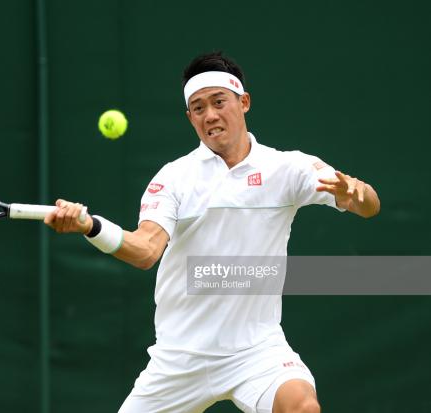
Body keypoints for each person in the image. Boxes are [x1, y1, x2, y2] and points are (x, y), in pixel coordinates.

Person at [44, 51, 380, 413]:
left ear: (244, 102)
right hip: (179, 360)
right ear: (190, 117)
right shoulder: (173, 178)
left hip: (256, 351)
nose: (210, 115)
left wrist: (356, 194)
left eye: (219, 102)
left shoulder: (287, 168)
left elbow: (369, 206)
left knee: (302, 407)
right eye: (198, 108)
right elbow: (144, 251)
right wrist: (90, 226)